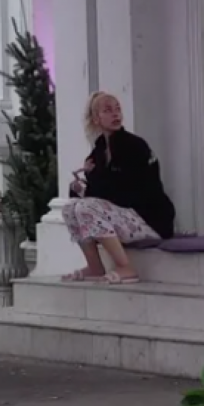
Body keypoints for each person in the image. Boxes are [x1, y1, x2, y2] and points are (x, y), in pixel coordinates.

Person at [61, 91, 176, 284]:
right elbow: (101, 192)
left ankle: (126, 267)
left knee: (86, 207)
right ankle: (95, 266)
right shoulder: (98, 150)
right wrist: (79, 187)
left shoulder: (134, 146)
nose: (115, 114)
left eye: (118, 109)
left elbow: (124, 194)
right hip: (125, 215)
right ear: (96, 118)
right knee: (70, 208)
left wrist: (93, 180)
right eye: (108, 110)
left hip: (149, 219)